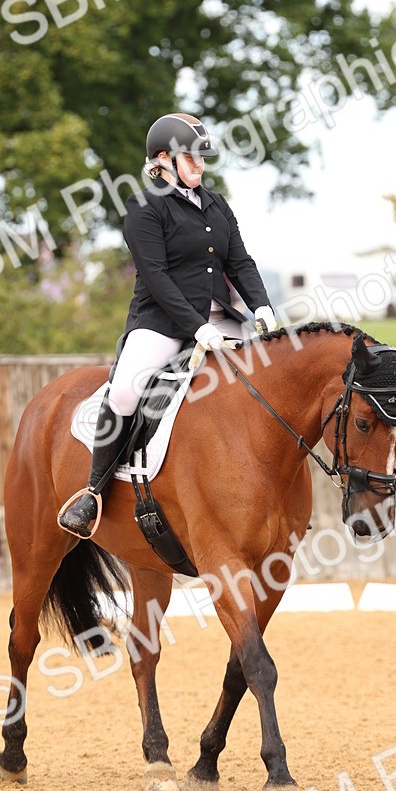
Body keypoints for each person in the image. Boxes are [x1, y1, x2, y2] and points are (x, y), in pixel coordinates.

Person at [57, 112, 277, 538]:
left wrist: (262, 306)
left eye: (202, 158)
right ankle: (93, 492)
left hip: (220, 319)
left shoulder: (215, 203)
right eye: (191, 158)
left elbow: (240, 262)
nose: (200, 165)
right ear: (163, 159)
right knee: (123, 391)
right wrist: (197, 327)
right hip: (161, 322)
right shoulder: (144, 207)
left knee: (271, 375)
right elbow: (156, 278)